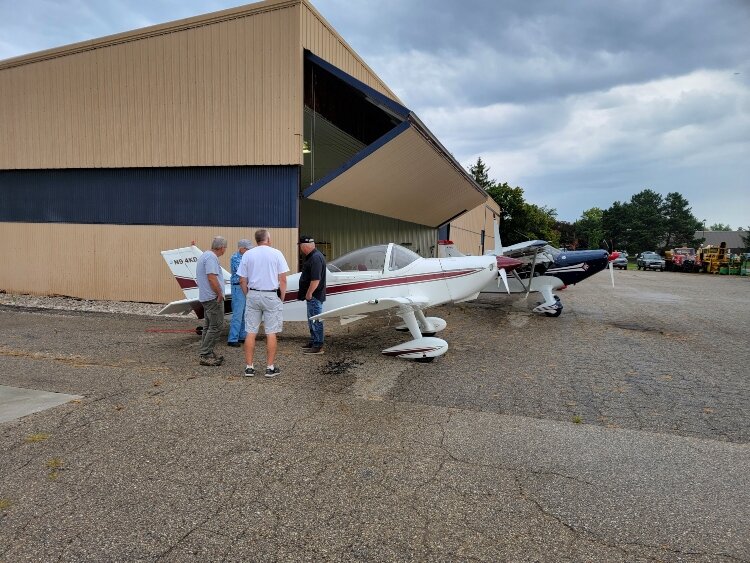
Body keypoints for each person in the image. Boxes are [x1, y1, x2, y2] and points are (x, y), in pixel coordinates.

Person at [238, 229, 289, 378]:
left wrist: (248, 295)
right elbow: (283, 279)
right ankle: (270, 367)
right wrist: (282, 298)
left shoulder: (248, 254)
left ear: (256, 240)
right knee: (271, 332)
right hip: (271, 294)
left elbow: (242, 279)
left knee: (251, 331)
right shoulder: (276, 253)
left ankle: (249, 367)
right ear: (267, 239)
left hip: (253, 294)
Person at [196, 236, 228, 366]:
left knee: (209, 326)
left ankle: (206, 350)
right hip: (212, 298)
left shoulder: (205, 255)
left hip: (206, 297)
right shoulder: (211, 258)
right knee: (216, 326)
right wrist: (219, 293)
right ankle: (205, 354)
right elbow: (212, 278)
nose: (225, 250)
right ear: (221, 248)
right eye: (225, 248)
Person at [297, 235, 326, 354]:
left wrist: (309, 293)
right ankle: (314, 340)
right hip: (313, 296)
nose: (300, 248)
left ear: (305, 247)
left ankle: (318, 345)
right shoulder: (313, 256)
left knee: (316, 319)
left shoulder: (315, 258)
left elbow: (315, 280)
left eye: (300, 246)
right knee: (311, 319)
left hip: (314, 295)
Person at [227, 239, 252, 347]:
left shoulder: (247, 257)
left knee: (245, 313)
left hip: (246, 287)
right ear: (241, 248)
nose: (248, 251)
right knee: (237, 314)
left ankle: (242, 336)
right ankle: (232, 338)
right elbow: (243, 272)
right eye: (247, 249)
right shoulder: (235, 258)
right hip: (238, 287)